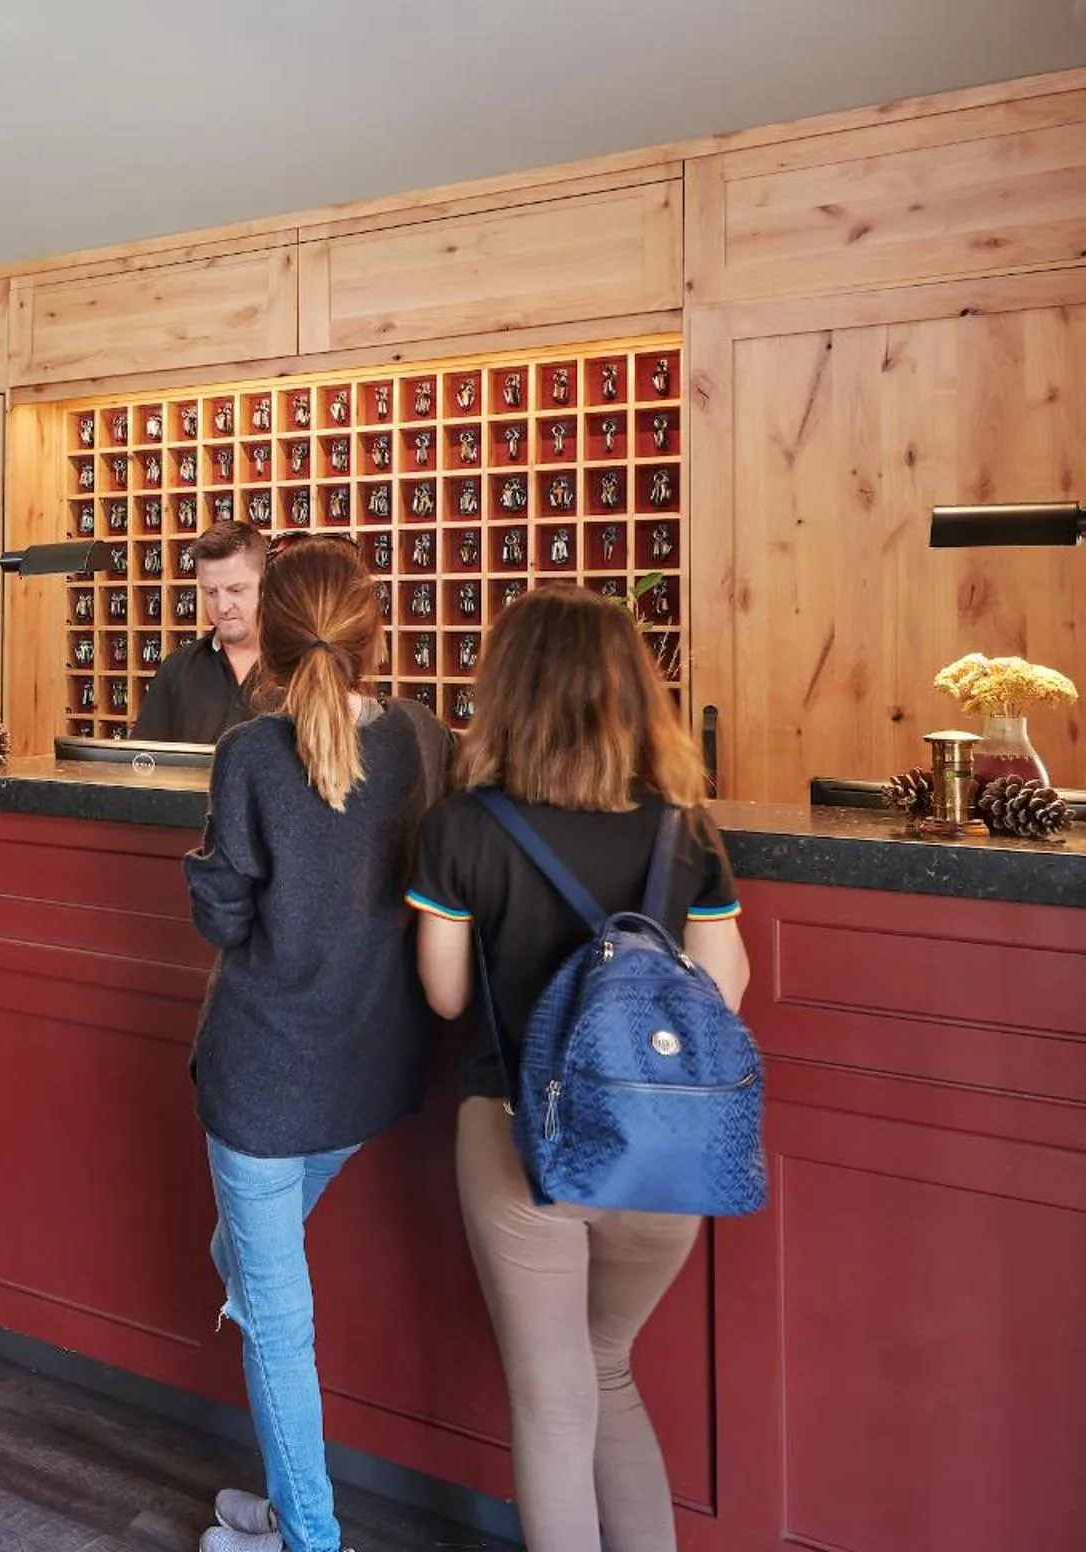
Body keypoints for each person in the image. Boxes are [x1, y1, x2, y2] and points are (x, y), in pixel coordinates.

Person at [404, 586, 752, 1552]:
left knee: (555, 1405)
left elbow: (442, 995)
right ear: (633, 690)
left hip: (525, 1140)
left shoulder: (463, 827)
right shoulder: (685, 825)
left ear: (505, 688)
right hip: (664, 1153)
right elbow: (723, 991)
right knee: (609, 1371)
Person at [183, 536, 454, 1552]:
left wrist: (201, 868)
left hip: (263, 1080)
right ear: (370, 632)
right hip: (375, 1068)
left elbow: (223, 918)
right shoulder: (422, 739)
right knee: (256, 1274)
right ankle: (289, 1497)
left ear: (275, 634)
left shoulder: (250, 753)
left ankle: (308, 1536)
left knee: (276, 1319)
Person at [132, 519, 266, 743]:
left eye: (236, 590)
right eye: (211, 592)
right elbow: (144, 763)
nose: (223, 607)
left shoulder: (301, 667)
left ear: (264, 586)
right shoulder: (176, 671)